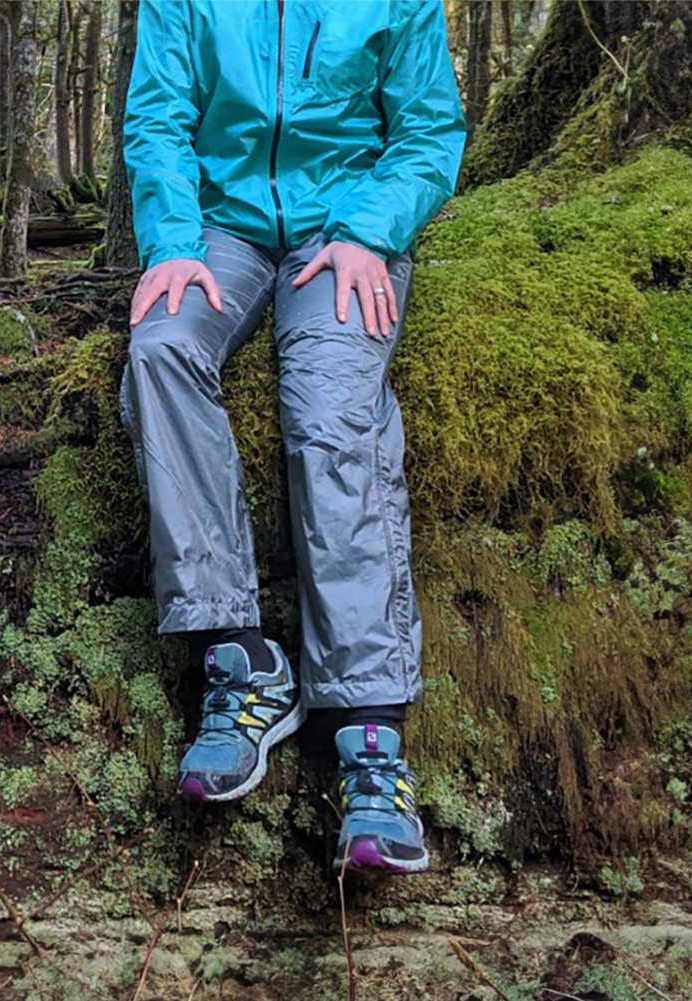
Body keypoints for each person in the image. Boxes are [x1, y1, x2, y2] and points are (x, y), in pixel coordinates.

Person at [118, 0, 466, 873]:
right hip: (220, 232)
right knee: (159, 351)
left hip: (342, 234)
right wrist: (168, 240)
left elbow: (429, 132)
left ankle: (370, 742)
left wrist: (368, 232)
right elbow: (158, 116)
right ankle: (240, 657)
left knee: (329, 408)